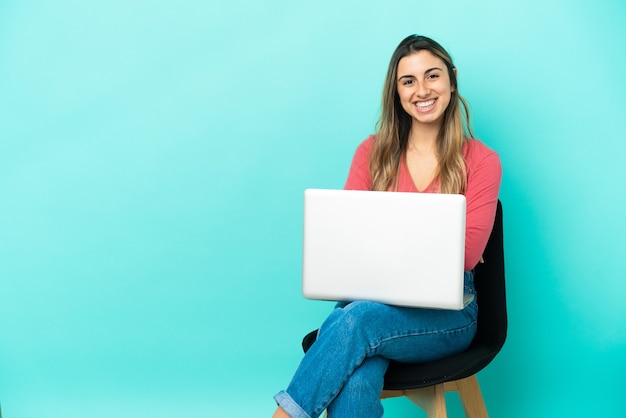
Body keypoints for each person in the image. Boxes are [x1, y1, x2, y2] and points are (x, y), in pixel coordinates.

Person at [272, 34, 502, 418]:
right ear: (396, 91)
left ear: (452, 79)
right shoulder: (371, 152)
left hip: (448, 315)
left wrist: (381, 247)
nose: (422, 90)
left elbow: (465, 255)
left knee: (358, 320)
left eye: (432, 76)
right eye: (408, 81)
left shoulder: (481, 161)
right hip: (370, 305)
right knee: (358, 371)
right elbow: (345, 241)